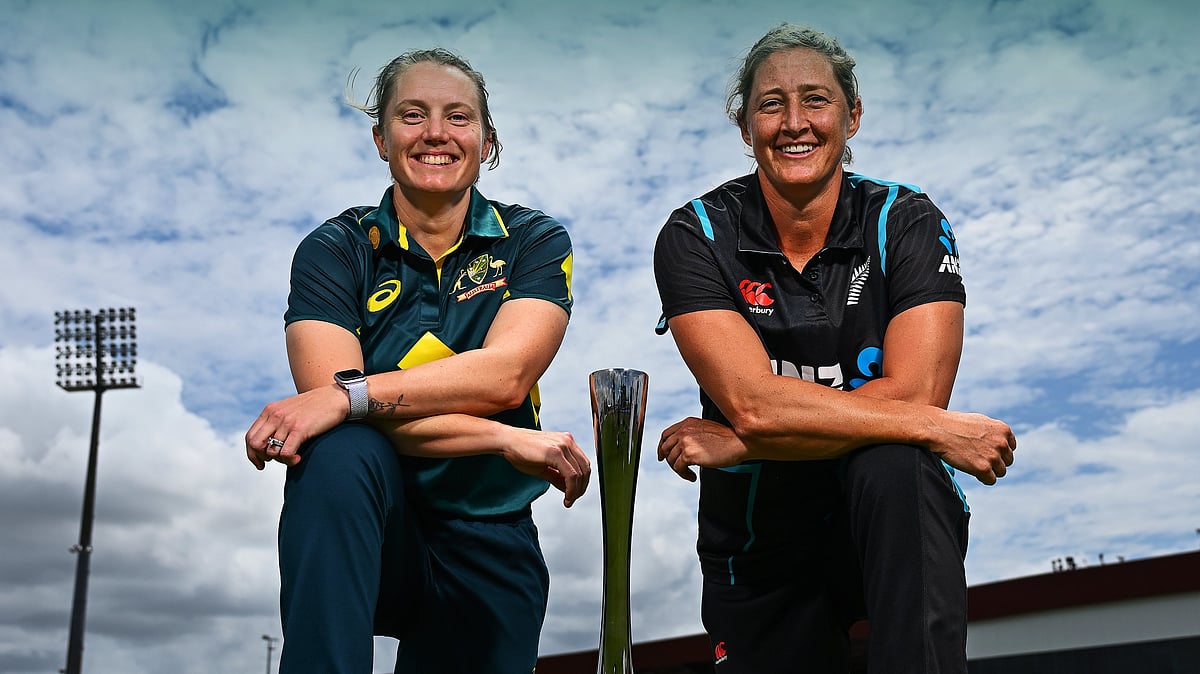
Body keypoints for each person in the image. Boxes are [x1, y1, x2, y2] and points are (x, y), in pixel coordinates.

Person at [653, 23, 1016, 674]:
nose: (795, 122)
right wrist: (755, 422)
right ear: (745, 129)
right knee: (910, 435)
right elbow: (750, 401)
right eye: (771, 104)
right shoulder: (696, 233)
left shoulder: (905, 221)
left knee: (898, 465)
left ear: (852, 115)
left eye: (816, 100)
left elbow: (915, 400)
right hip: (759, 538)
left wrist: (744, 438)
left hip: (883, 522)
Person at [243, 47, 590, 674]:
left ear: (486, 140)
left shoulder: (535, 240)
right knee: (341, 451)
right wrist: (502, 438)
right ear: (381, 139)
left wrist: (346, 395)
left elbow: (505, 374)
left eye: (458, 116)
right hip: (373, 523)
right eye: (412, 115)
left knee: (344, 421)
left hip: (489, 526)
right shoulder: (335, 248)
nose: (435, 133)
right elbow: (332, 415)